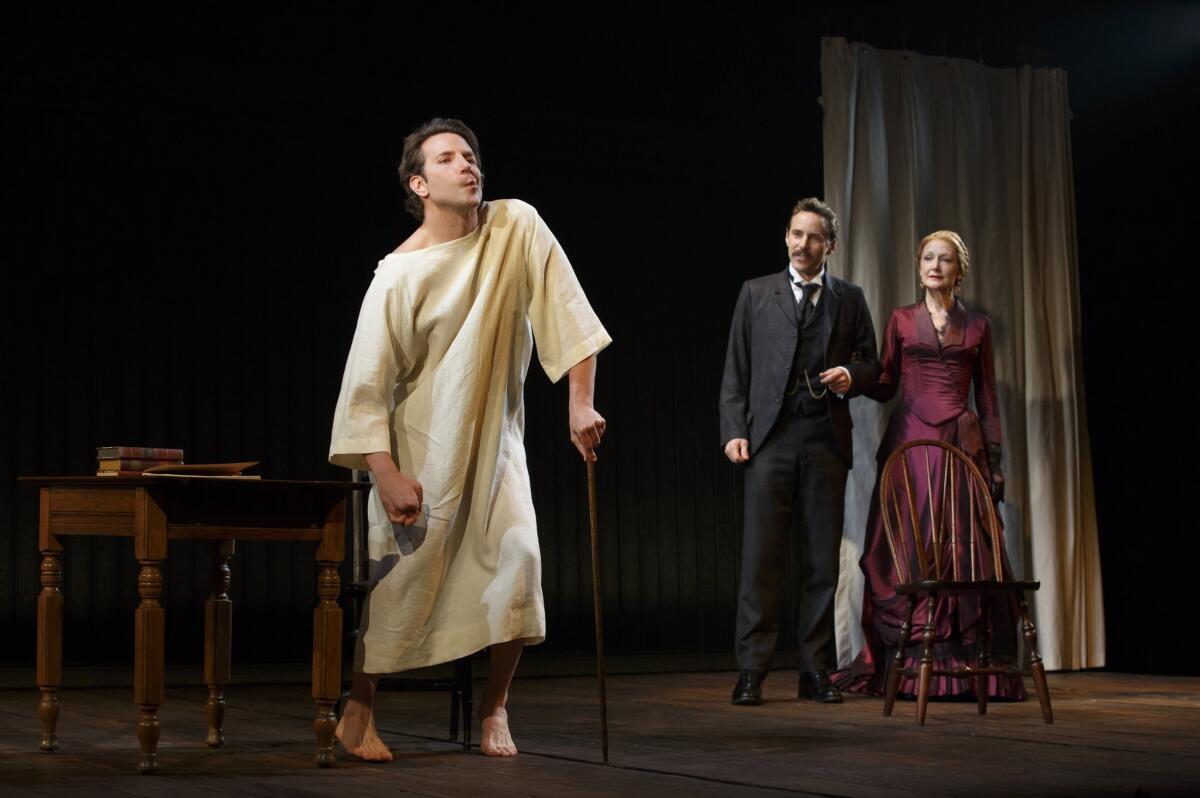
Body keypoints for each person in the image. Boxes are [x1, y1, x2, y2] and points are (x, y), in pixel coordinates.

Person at [328, 118, 611, 759]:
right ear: (420, 183)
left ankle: (495, 708)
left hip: (497, 449)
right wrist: (385, 473)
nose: (468, 165)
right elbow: (362, 392)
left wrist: (579, 404)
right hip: (418, 452)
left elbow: (570, 313)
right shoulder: (396, 276)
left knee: (519, 562)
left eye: (471, 155)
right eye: (449, 158)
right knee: (403, 580)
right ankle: (360, 705)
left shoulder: (515, 226)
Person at [836, 230, 1024, 699]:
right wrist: (851, 379)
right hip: (910, 444)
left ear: (959, 270)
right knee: (909, 543)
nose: (935, 266)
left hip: (961, 444)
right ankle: (914, 651)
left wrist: (995, 462)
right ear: (918, 266)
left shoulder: (978, 326)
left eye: (944, 260)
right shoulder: (901, 320)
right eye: (927, 258)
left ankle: (964, 663)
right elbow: (884, 381)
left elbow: (987, 397)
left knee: (960, 546)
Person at [719, 198, 881, 706]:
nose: (802, 245)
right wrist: (733, 429)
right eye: (795, 234)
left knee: (820, 564)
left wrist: (852, 375)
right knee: (760, 561)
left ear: (829, 245)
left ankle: (815, 671)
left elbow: (874, 366)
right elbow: (735, 370)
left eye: (813, 237)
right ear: (785, 237)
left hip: (824, 441)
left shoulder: (848, 298)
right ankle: (752, 671)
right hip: (770, 439)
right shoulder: (756, 293)